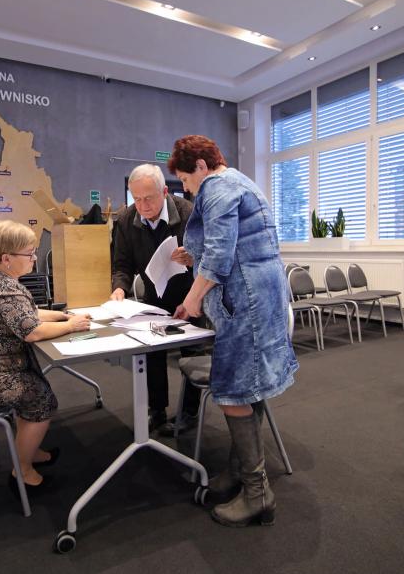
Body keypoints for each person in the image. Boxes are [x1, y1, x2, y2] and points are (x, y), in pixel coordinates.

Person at [168, 135, 298, 527]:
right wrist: (194, 258)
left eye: (185, 180)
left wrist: (192, 300)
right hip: (261, 296)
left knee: (233, 389)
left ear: (201, 166)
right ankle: (240, 473)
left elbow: (221, 256)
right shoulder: (241, 181)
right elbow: (237, 245)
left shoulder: (216, 187)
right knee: (248, 386)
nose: (187, 189)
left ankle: (258, 494)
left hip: (247, 304)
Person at [0, 219, 92, 490]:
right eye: (29, 254)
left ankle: (29, 450)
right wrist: (71, 326)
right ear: (7, 258)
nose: (34, 258)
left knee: (34, 386)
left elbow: (28, 313)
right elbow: (32, 331)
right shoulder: (6, 291)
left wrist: (63, 316)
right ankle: (22, 470)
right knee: (41, 398)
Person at [110, 163, 202, 434]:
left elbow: (211, 259)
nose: (142, 206)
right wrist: (119, 289)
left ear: (164, 192)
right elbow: (122, 265)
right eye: (136, 199)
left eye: (148, 198)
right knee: (152, 354)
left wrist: (193, 259)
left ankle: (189, 412)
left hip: (190, 294)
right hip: (154, 296)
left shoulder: (188, 214)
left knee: (192, 354)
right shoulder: (126, 219)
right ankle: (157, 410)